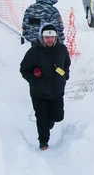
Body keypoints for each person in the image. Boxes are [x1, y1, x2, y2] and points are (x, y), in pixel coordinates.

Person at [20, 23, 71, 151]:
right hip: (39, 93)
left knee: (58, 116)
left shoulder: (61, 49)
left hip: (57, 91)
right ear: (42, 37)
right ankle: (43, 141)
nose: (49, 40)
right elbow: (24, 69)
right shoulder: (33, 52)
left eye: (52, 37)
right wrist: (34, 81)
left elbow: (67, 63)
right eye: (47, 37)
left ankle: (50, 121)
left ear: (56, 37)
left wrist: (65, 76)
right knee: (41, 117)